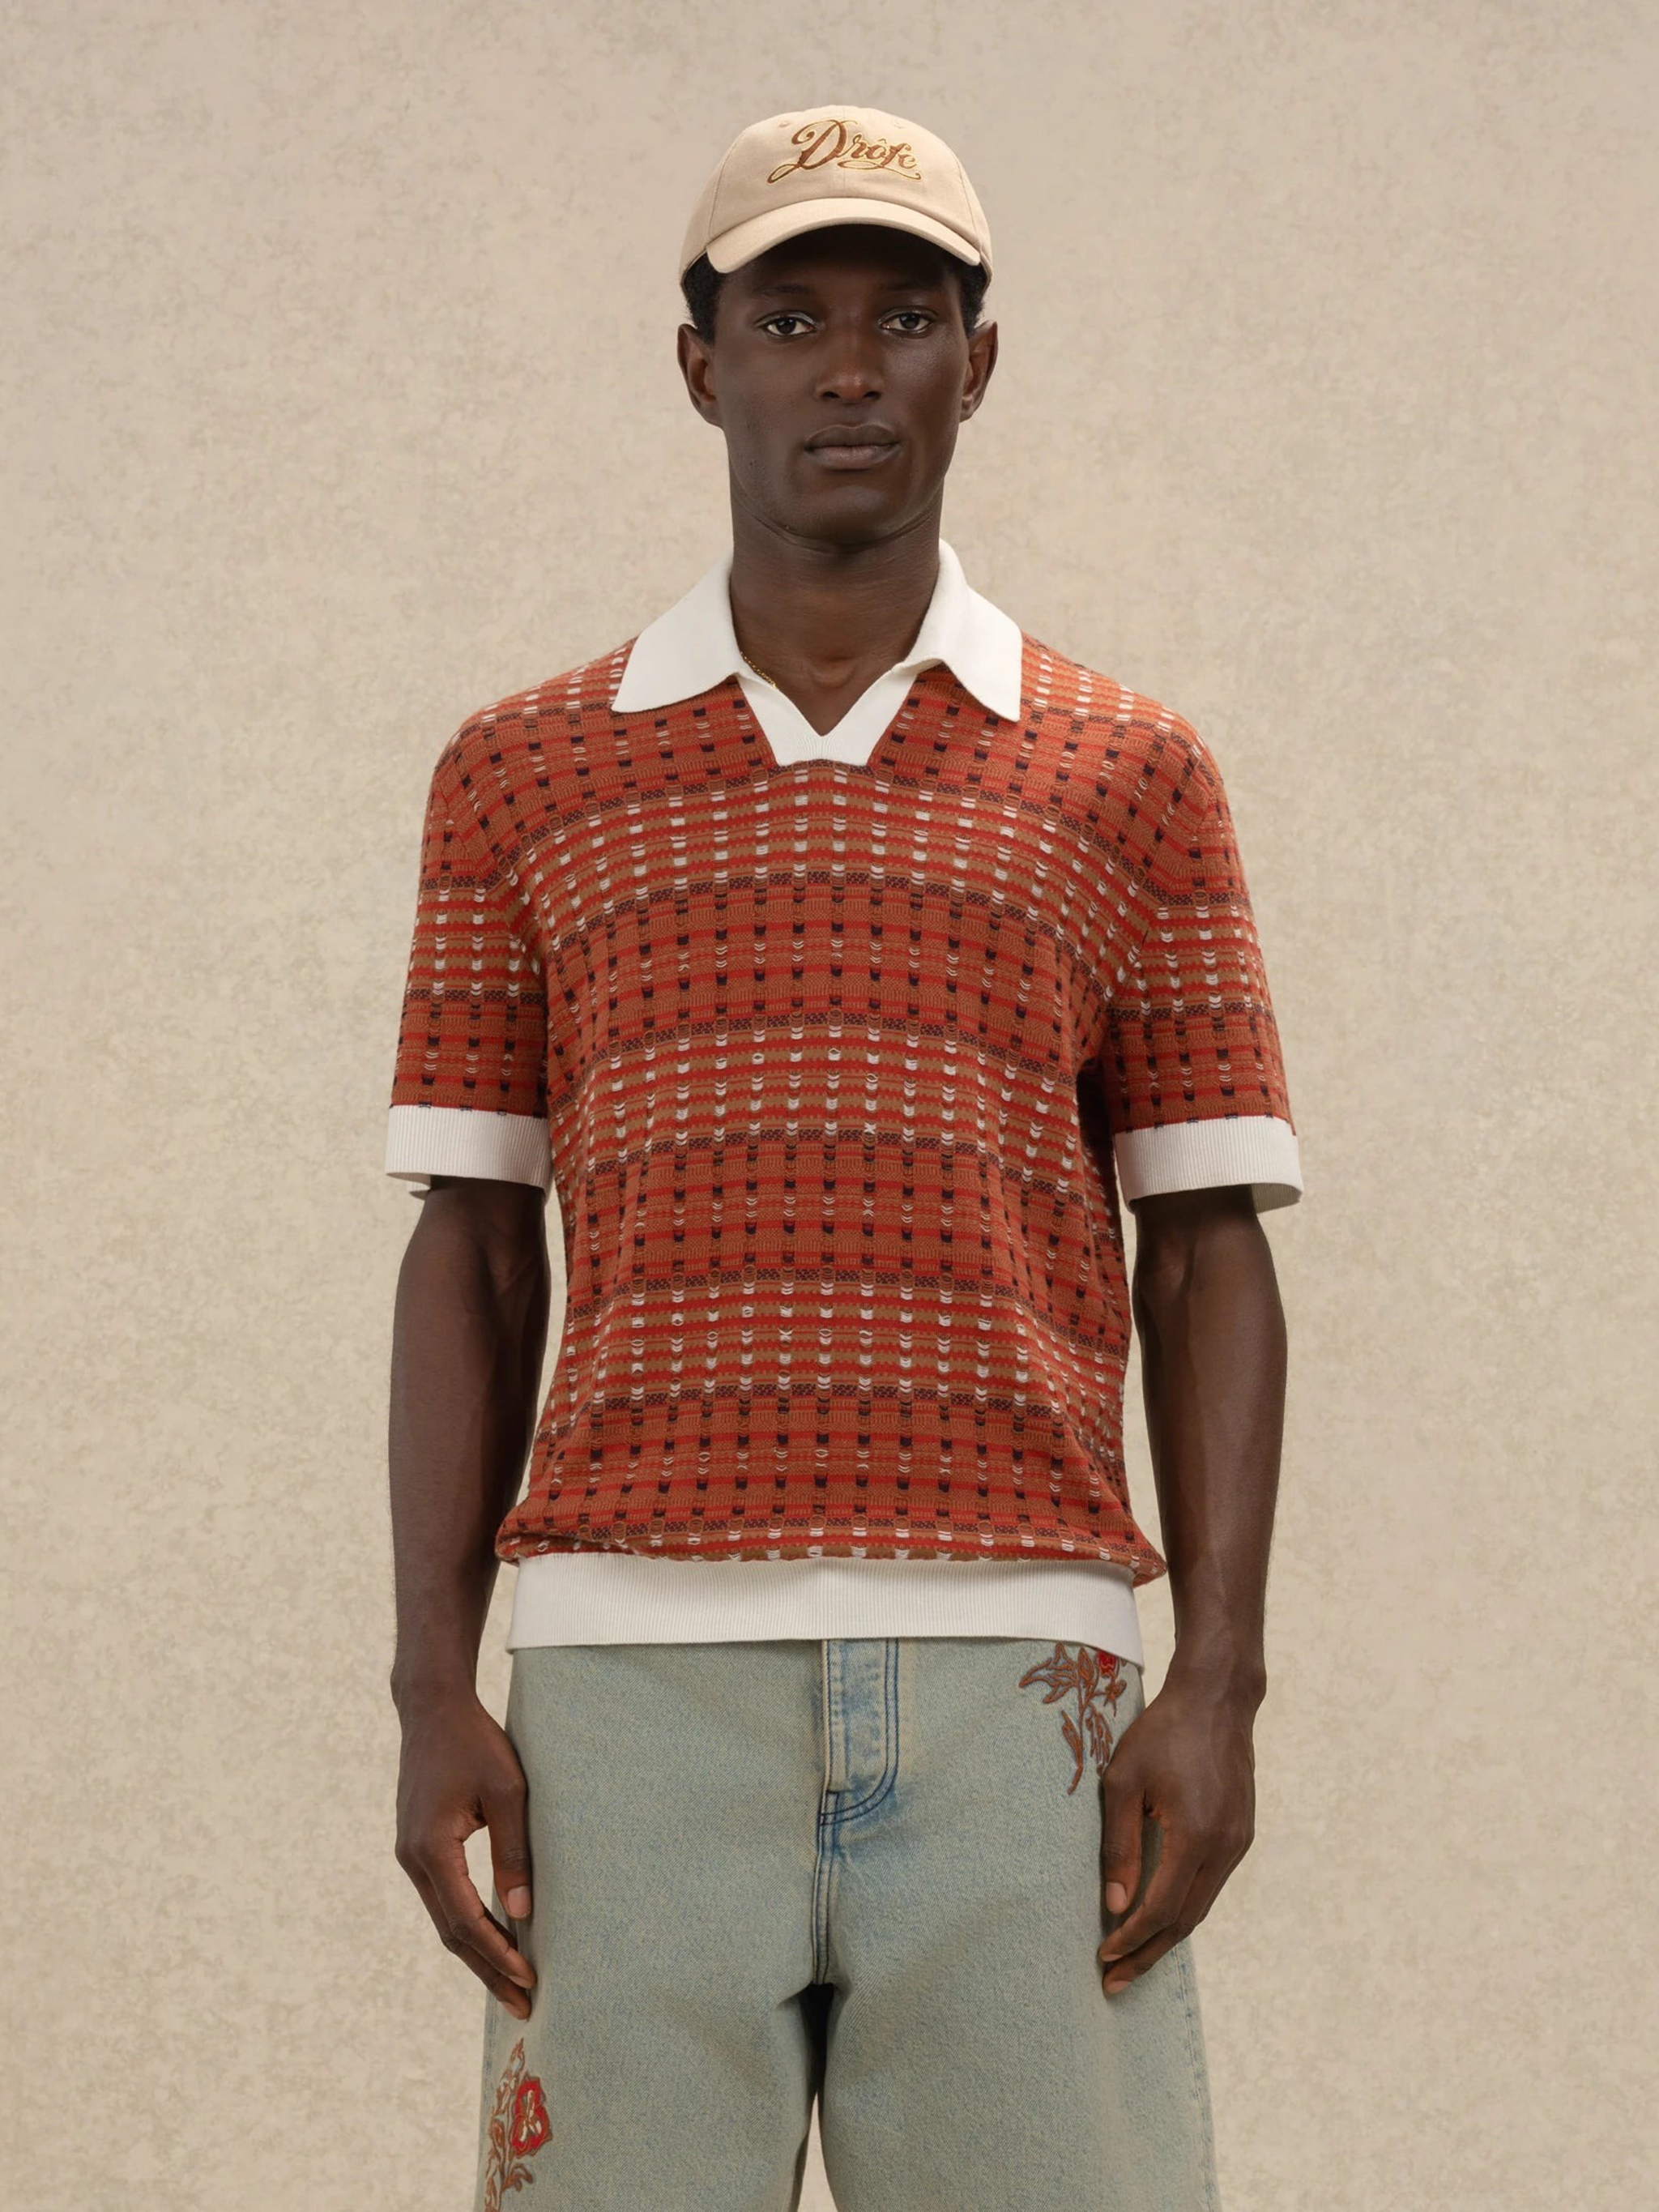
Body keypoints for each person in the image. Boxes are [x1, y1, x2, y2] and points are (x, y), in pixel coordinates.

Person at [383, 103, 1301, 2212]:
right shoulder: (524, 771)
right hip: (625, 1687)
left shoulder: (1128, 773)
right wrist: (435, 1679)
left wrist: (1221, 1683)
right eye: (789, 318)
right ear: (699, 365)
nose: (849, 369)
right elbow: (473, 1244)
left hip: (1025, 1680)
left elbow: (1207, 1242)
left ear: (979, 362)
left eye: (905, 316)